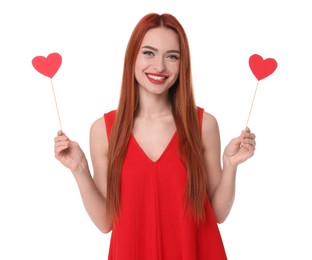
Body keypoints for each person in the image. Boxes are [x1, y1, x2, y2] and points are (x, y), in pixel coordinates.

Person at [54, 13, 256, 259]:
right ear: (132, 57)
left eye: (172, 56)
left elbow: (218, 214)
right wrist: (80, 169)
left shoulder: (204, 125)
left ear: (183, 65)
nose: (160, 66)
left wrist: (231, 166)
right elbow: (106, 221)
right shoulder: (103, 130)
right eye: (149, 53)